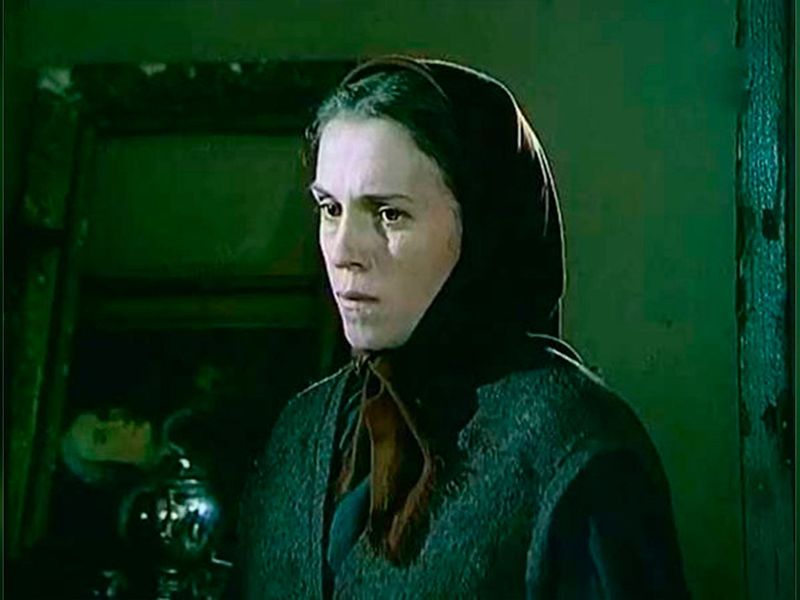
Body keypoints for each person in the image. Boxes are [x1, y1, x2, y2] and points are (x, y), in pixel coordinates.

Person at [233, 57, 690, 599]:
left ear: (481, 228)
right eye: (331, 209)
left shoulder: (571, 444)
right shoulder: (302, 429)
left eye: (388, 214)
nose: (343, 251)